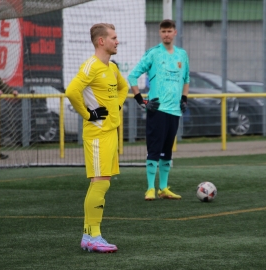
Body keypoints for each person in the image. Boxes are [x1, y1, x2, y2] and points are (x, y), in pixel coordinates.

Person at [65, 23, 128, 253]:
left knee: (102, 182)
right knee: (100, 182)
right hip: (97, 134)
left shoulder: (111, 68)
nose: (117, 41)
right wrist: (89, 114)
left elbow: (123, 88)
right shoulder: (91, 66)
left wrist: (118, 105)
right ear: (101, 41)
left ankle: (89, 236)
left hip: (111, 132)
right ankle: (93, 235)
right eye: (113, 37)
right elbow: (71, 91)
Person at [128, 19, 190, 201]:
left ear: (175, 32)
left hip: (174, 111)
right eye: (163, 31)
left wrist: (184, 99)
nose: (166, 34)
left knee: (167, 151)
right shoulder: (153, 54)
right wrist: (141, 100)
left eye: (169, 31)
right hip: (157, 109)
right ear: (159, 33)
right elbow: (132, 76)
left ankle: (163, 188)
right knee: (154, 149)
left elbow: (186, 78)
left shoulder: (182, 55)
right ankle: (150, 188)